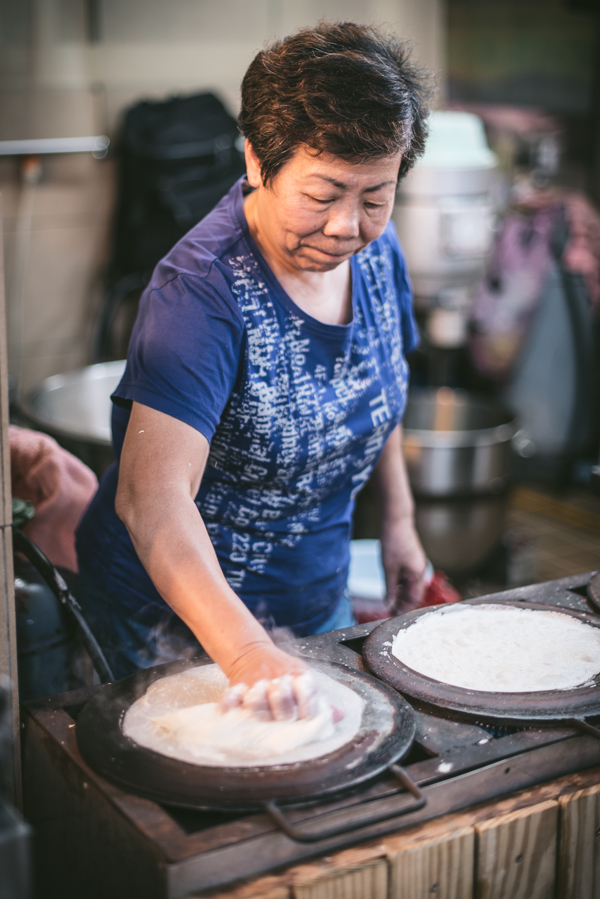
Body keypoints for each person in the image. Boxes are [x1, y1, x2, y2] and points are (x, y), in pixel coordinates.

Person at [76, 22, 430, 720]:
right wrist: (244, 652)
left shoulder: (377, 256)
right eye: (323, 194)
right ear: (257, 160)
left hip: (314, 598)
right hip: (171, 624)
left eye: (374, 196)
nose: (346, 227)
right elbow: (153, 502)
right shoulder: (200, 293)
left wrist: (400, 519)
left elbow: (373, 395)